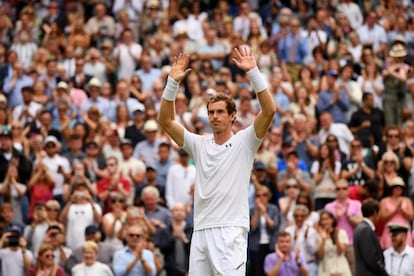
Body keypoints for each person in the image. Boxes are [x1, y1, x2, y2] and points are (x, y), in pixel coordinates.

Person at [158, 47, 276, 275]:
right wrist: (172, 82)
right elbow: (165, 120)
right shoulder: (199, 144)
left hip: (230, 231)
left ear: (232, 116)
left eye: (220, 112)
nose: (215, 116)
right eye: (211, 112)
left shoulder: (246, 141)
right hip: (201, 230)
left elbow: (269, 110)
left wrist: (254, 73)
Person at [248, 185, 280, 276]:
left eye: (264, 195)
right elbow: (252, 227)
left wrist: (264, 213)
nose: (261, 197)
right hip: (256, 246)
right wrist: (258, 212)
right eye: (258, 195)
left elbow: (274, 226)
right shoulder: (252, 210)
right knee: (257, 271)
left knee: (270, 271)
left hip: (271, 245)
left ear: (269, 196)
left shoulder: (273, 209)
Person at [353, 199, 388, 276]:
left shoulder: (361, 228)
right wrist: (383, 273)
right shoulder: (365, 230)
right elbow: (370, 258)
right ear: (375, 213)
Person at [316, 210, 352, 276]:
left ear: (332, 220)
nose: (324, 222)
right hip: (325, 267)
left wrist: (336, 238)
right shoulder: (318, 235)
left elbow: (340, 252)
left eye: (327, 219)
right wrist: (323, 240)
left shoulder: (341, 232)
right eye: (322, 220)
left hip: (340, 265)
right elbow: (320, 255)